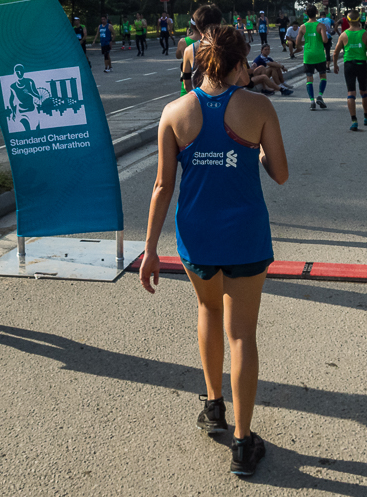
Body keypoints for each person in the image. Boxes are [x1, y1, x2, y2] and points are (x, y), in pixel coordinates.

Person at [140, 24, 288, 478]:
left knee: (207, 312)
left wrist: (149, 250)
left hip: (196, 236)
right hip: (244, 234)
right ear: (240, 62)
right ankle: (243, 444)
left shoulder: (174, 112)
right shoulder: (258, 106)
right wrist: (255, 153)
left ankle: (214, 407)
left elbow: (164, 185)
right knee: (241, 333)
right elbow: (280, 173)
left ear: (201, 61)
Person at [331, 9, 367, 131]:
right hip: (361, 64)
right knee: (364, 91)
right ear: (359, 19)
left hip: (349, 65)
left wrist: (334, 65)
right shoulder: (365, 34)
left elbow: (335, 53)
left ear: (347, 20)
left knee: (351, 92)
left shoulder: (344, 35)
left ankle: (354, 120)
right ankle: (366, 116)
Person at [181, 4, 225, 96]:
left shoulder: (190, 50)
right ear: (219, 24)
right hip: (225, 101)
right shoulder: (229, 46)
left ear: (198, 26)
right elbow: (243, 80)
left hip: (200, 101)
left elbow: (186, 84)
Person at [295, 5, 329, 110]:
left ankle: (311, 101)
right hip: (319, 55)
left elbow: (297, 43)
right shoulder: (320, 25)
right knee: (322, 76)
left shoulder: (302, 27)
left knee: (309, 78)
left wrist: (306, 42)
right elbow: (325, 40)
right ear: (317, 12)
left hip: (308, 55)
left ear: (306, 13)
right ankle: (320, 95)